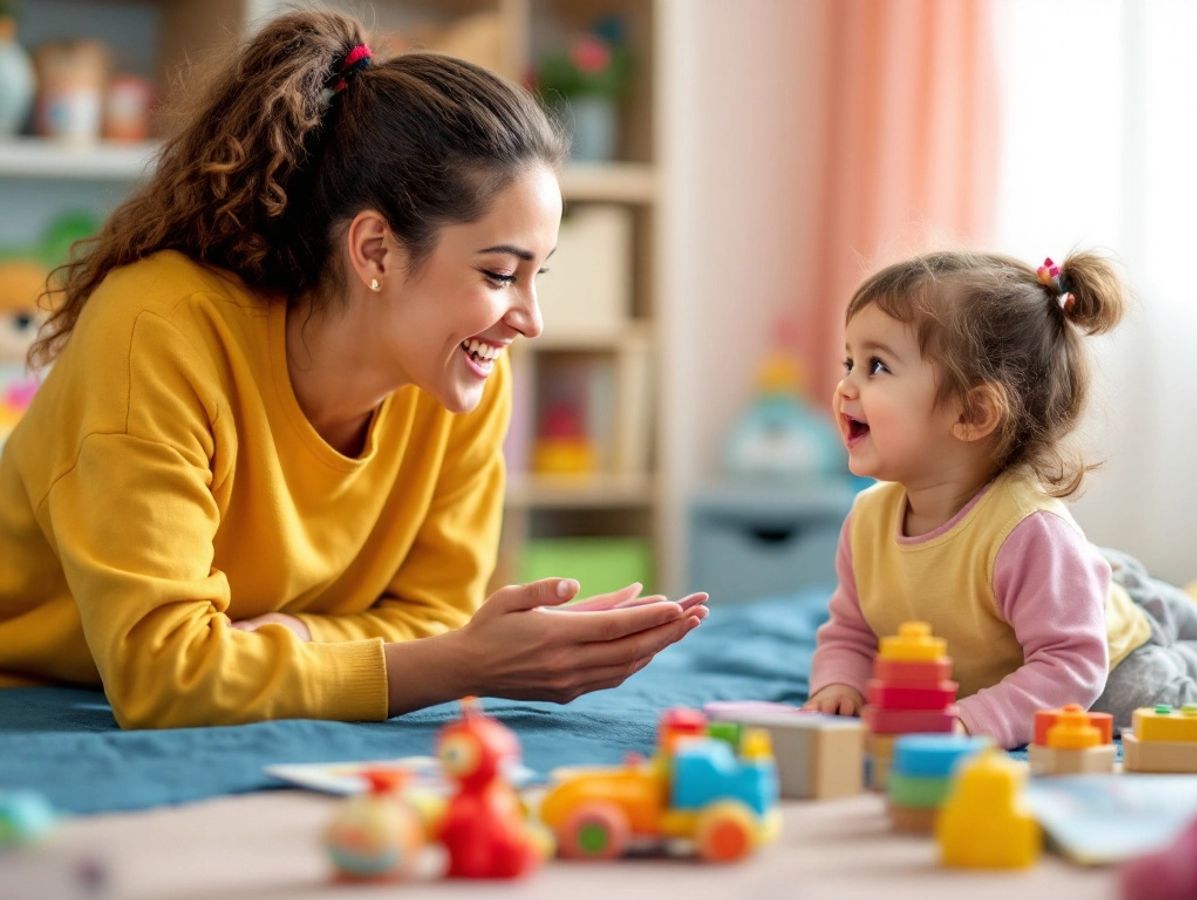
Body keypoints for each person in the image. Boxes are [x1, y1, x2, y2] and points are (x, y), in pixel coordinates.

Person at [0, 10, 707, 729]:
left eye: (537, 276)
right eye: (499, 273)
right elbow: (166, 674)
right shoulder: (158, 331)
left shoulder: (463, 377)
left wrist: (300, 638)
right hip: (28, 698)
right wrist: (467, 663)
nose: (529, 319)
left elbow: (434, 614)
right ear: (374, 251)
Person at [803, 250, 1197, 748]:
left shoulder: (1027, 531)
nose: (844, 387)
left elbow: (1071, 664)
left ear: (973, 413)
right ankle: (1131, 588)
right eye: (850, 362)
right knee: (1089, 584)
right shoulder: (867, 519)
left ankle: (1161, 621)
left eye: (877, 366)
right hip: (1064, 591)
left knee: (1149, 709)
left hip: (1108, 662)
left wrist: (974, 719)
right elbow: (851, 633)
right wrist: (838, 685)